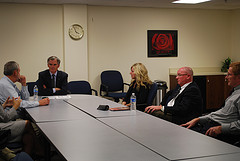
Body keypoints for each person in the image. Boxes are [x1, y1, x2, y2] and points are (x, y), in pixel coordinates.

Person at [181, 62, 240, 145]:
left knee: (185, 140)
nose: (226, 77)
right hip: (211, 123)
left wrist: (221, 128)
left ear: (238, 77)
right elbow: (221, 113)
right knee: (182, 133)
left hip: (219, 130)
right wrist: (199, 119)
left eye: (229, 75)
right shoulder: (234, 92)